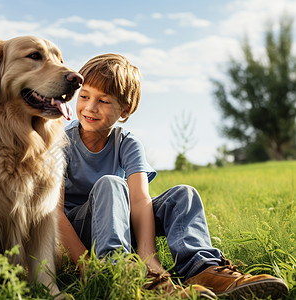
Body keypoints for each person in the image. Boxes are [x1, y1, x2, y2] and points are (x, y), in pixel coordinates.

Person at [58, 53, 289, 299]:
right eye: (84, 96)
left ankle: (203, 270)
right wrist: (84, 263)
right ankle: (117, 272)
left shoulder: (127, 143)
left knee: (183, 195)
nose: (90, 107)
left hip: (122, 224)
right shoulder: (62, 142)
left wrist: (150, 258)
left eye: (103, 101)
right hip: (82, 231)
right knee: (112, 183)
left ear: (124, 109)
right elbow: (54, 212)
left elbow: (139, 201)